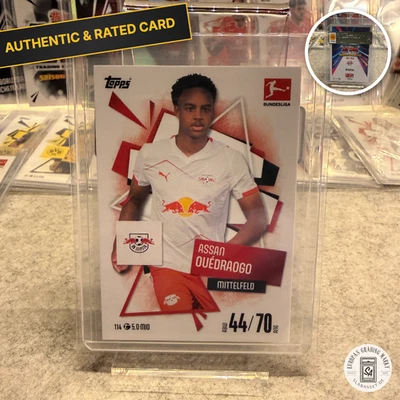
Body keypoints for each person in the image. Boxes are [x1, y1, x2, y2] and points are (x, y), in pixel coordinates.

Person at [111, 73, 267, 313]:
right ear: (177, 110)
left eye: (205, 109)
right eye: (190, 108)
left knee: (209, 329)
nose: (198, 116)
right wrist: (121, 243)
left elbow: (258, 218)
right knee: (180, 321)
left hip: (208, 267)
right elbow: (135, 200)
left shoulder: (231, 159)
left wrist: (223, 255)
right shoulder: (150, 154)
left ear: (213, 111)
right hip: (166, 264)